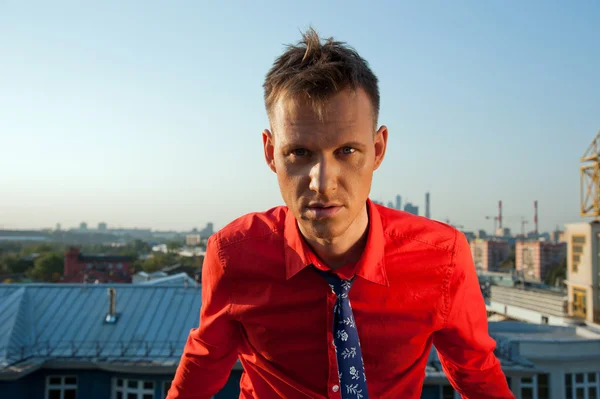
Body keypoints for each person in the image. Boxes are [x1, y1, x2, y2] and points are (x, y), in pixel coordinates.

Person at [167, 28, 514, 399]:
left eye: (347, 151)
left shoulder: (442, 256)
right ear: (270, 152)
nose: (322, 182)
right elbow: (203, 363)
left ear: (378, 149)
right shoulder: (233, 253)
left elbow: (478, 377)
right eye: (299, 153)